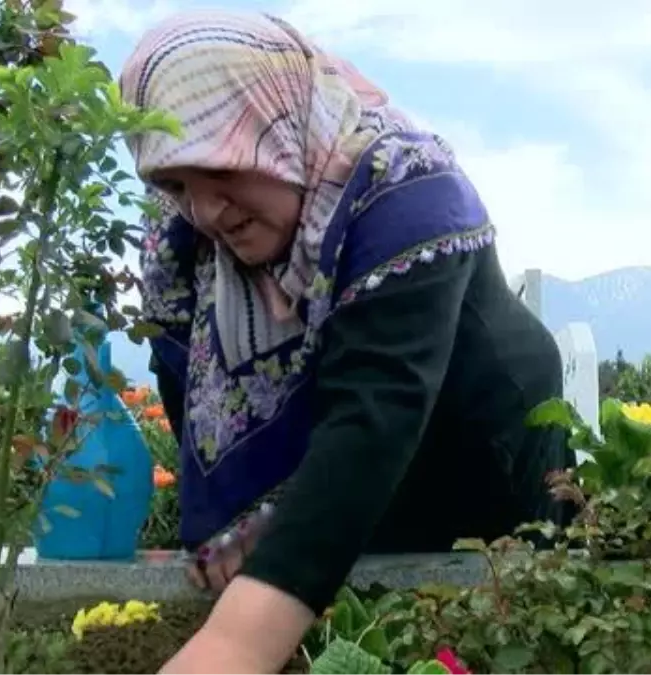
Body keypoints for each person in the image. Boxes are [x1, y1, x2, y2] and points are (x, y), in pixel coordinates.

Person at [121, 11, 576, 673]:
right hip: (352, 456)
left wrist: (229, 649)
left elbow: (375, 415)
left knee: (487, 634)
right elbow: (186, 381)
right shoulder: (184, 235)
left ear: (274, 126)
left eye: (219, 170)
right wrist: (254, 525)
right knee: (341, 617)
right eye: (174, 183)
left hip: (478, 433)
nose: (204, 210)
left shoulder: (406, 188)